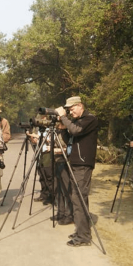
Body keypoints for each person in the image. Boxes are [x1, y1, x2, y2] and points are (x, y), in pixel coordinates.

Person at [56, 96, 98, 247]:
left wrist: (63, 117)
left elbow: (75, 130)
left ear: (80, 106)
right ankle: (81, 231)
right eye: (68, 110)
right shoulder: (77, 121)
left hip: (83, 164)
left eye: (72, 109)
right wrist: (62, 128)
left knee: (79, 199)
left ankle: (84, 237)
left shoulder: (90, 119)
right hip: (75, 163)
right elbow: (70, 138)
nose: (70, 112)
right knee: (78, 198)